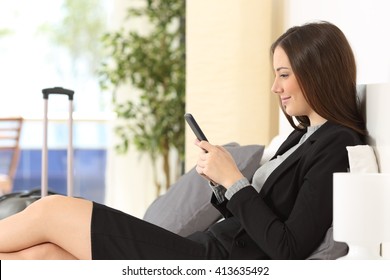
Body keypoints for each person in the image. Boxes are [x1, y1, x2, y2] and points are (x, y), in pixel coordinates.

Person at [0, 21, 366, 260]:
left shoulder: (336, 144)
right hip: (206, 247)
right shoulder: (301, 137)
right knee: (41, 257)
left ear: (317, 72)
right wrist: (223, 186)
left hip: (211, 261)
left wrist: (233, 180)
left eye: (284, 74)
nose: (275, 87)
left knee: (53, 210)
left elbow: (287, 248)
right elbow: (260, 215)